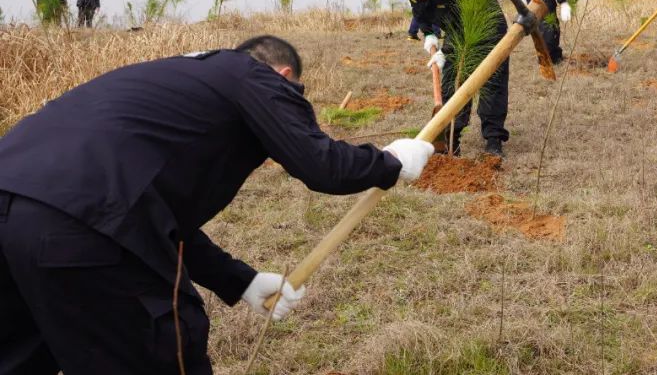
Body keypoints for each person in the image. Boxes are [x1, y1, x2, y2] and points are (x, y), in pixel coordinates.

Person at [0, 36, 434, 373]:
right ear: (283, 75)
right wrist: (390, 162)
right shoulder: (250, 75)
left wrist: (239, 281)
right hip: (84, 227)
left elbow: (152, 215)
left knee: (24, 356)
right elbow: (321, 165)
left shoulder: (165, 85)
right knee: (164, 352)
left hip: (13, 207)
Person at [399, 0, 509, 156]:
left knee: (491, 83)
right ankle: (451, 138)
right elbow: (420, 10)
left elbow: (471, 23)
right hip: (455, 30)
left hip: (486, 27)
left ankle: (494, 140)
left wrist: (453, 49)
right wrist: (429, 34)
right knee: (452, 81)